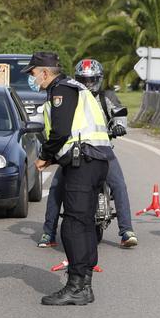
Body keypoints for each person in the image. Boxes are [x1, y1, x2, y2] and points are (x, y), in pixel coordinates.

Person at [23, 51, 114, 306]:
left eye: (33, 73)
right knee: (84, 223)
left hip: (83, 162)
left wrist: (44, 155)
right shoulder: (73, 88)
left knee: (73, 224)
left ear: (44, 71)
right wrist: (54, 157)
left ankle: (76, 285)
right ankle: (84, 285)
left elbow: (61, 131)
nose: (33, 78)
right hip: (94, 160)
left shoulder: (61, 89)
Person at [38, 59, 137, 249]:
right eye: (84, 80)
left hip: (101, 150)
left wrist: (119, 126)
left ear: (99, 79)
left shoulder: (105, 96)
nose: (88, 84)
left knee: (119, 184)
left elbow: (118, 113)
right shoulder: (70, 95)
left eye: (92, 80)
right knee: (57, 187)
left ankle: (126, 231)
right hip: (74, 153)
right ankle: (48, 232)